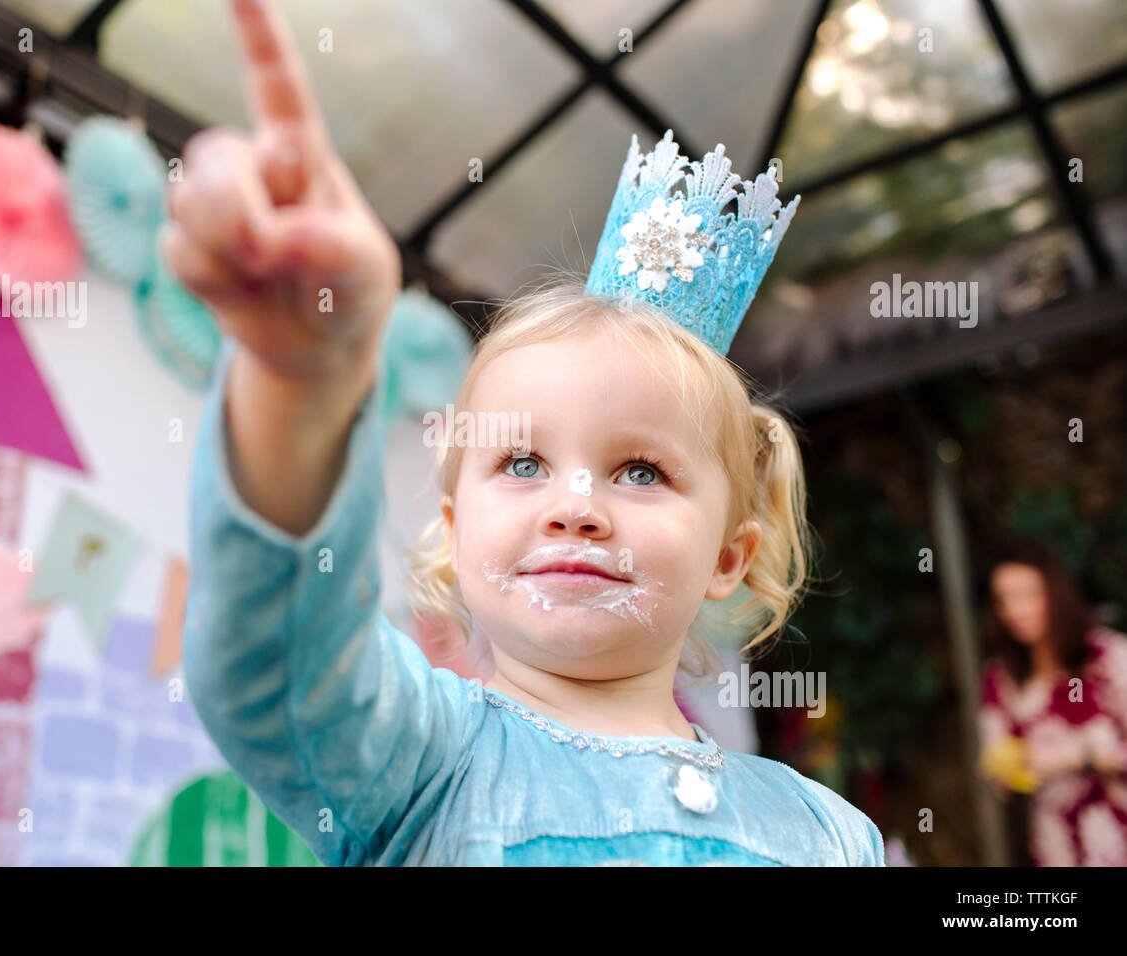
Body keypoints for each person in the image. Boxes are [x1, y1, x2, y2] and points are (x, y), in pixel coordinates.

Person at [170, 0, 884, 866]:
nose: (576, 507)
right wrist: (297, 386)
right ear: (454, 523)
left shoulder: (828, 834)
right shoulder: (419, 758)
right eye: (520, 461)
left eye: (643, 471)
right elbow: (274, 666)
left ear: (730, 557)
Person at [978, 540, 1127, 866]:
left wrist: (1080, 757)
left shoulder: (1109, 658)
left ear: (1055, 593)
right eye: (1003, 600)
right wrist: (1004, 770)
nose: (1014, 610)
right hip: (1054, 849)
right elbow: (996, 756)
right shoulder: (1000, 679)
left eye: (1025, 595)